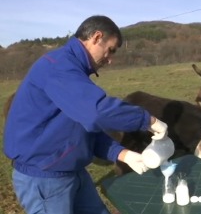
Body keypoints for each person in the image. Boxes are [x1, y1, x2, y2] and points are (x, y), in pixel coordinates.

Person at [3, 15, 168, 214]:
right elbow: (97, 112)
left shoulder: (74, 71)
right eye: (110, 50)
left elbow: (81, 130)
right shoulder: (58, 66)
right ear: (97, 37)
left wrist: (123, 154)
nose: (110, 60)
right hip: (44, 176)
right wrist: (148, 120)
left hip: (72, 170)